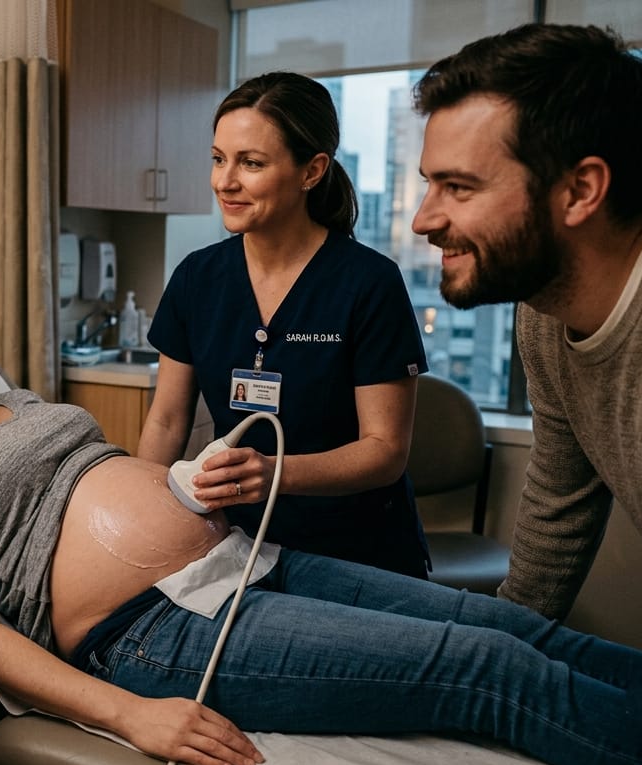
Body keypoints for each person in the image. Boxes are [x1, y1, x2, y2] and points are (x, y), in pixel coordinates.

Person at [0, 267, 642, 765]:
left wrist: (179, 486)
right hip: (148, 631)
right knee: (482, 666)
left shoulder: (19, 404)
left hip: (247, 559)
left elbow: (111, 482)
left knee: (510, 623)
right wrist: (131, 715)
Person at [409, 22, 642, 765]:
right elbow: (558, 508)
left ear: (580, 190)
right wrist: (495, 656)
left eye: (459, 187)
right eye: (428, 183)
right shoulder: (546, 313)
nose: (423, 219)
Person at [138, 72, 430, 578]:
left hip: (358, 551)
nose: (225, 181)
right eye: (218, 158)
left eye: (251, 163)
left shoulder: (368, 282)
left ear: (311, 171)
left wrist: (273, 473)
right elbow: (166, 422)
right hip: (238, 547)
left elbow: (385, 451)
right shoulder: (196, 278)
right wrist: (143, 515)